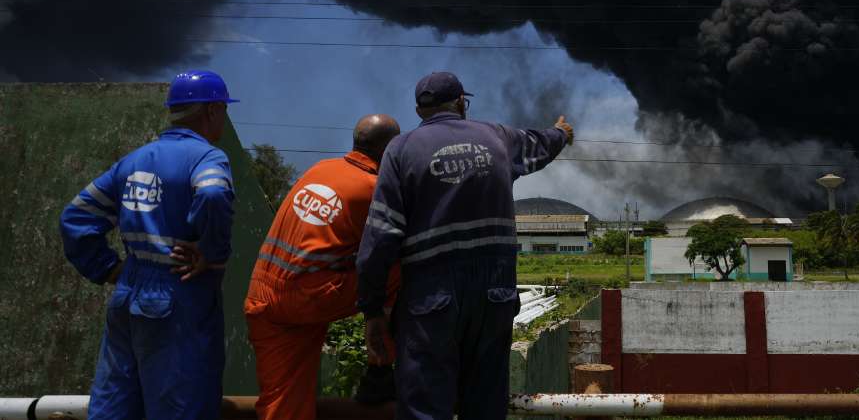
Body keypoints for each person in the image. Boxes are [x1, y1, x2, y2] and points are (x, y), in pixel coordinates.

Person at [356, 72, 574, 420]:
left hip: (430, 295)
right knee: (485, 402)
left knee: (425, 406)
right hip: (494, 292)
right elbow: (541, 144)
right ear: (461, 102)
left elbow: (381, 236)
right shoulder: (498, 137)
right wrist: (561, 132)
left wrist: (372, 309)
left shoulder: (400, 150)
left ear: (419, 110)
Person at [59, 70, 238, 420]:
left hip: (128, 292)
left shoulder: (134, 160)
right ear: (214, 110)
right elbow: (214, 193)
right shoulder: (207, 158)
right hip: (179, 293)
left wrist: (109, 268)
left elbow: (75, 217)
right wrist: (211, 254)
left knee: (115, 405)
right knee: (182, 404)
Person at [244, 114, 403, 420]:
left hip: (263, 293)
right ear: (390, 150)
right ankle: (380, 371)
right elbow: (381, 258)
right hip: (309, 296)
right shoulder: (374, 189)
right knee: (401, 267)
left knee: (283, 403)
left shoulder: (320, 169)